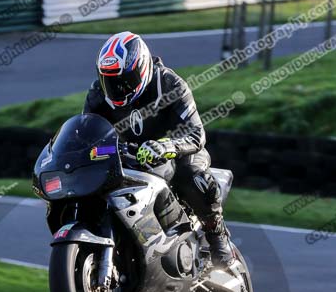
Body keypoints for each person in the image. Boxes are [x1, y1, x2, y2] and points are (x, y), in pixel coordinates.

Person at [82, 31, 234, 266]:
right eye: (108, 80)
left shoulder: (170, 84)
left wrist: (167, 146)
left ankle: (217, 235)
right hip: (129, 157)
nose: (116, 88)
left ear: (141, 68)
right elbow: (87, 133)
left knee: (192, 176)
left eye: (123, 79)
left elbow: (196, 134)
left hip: (178, 153)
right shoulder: (98, 94)